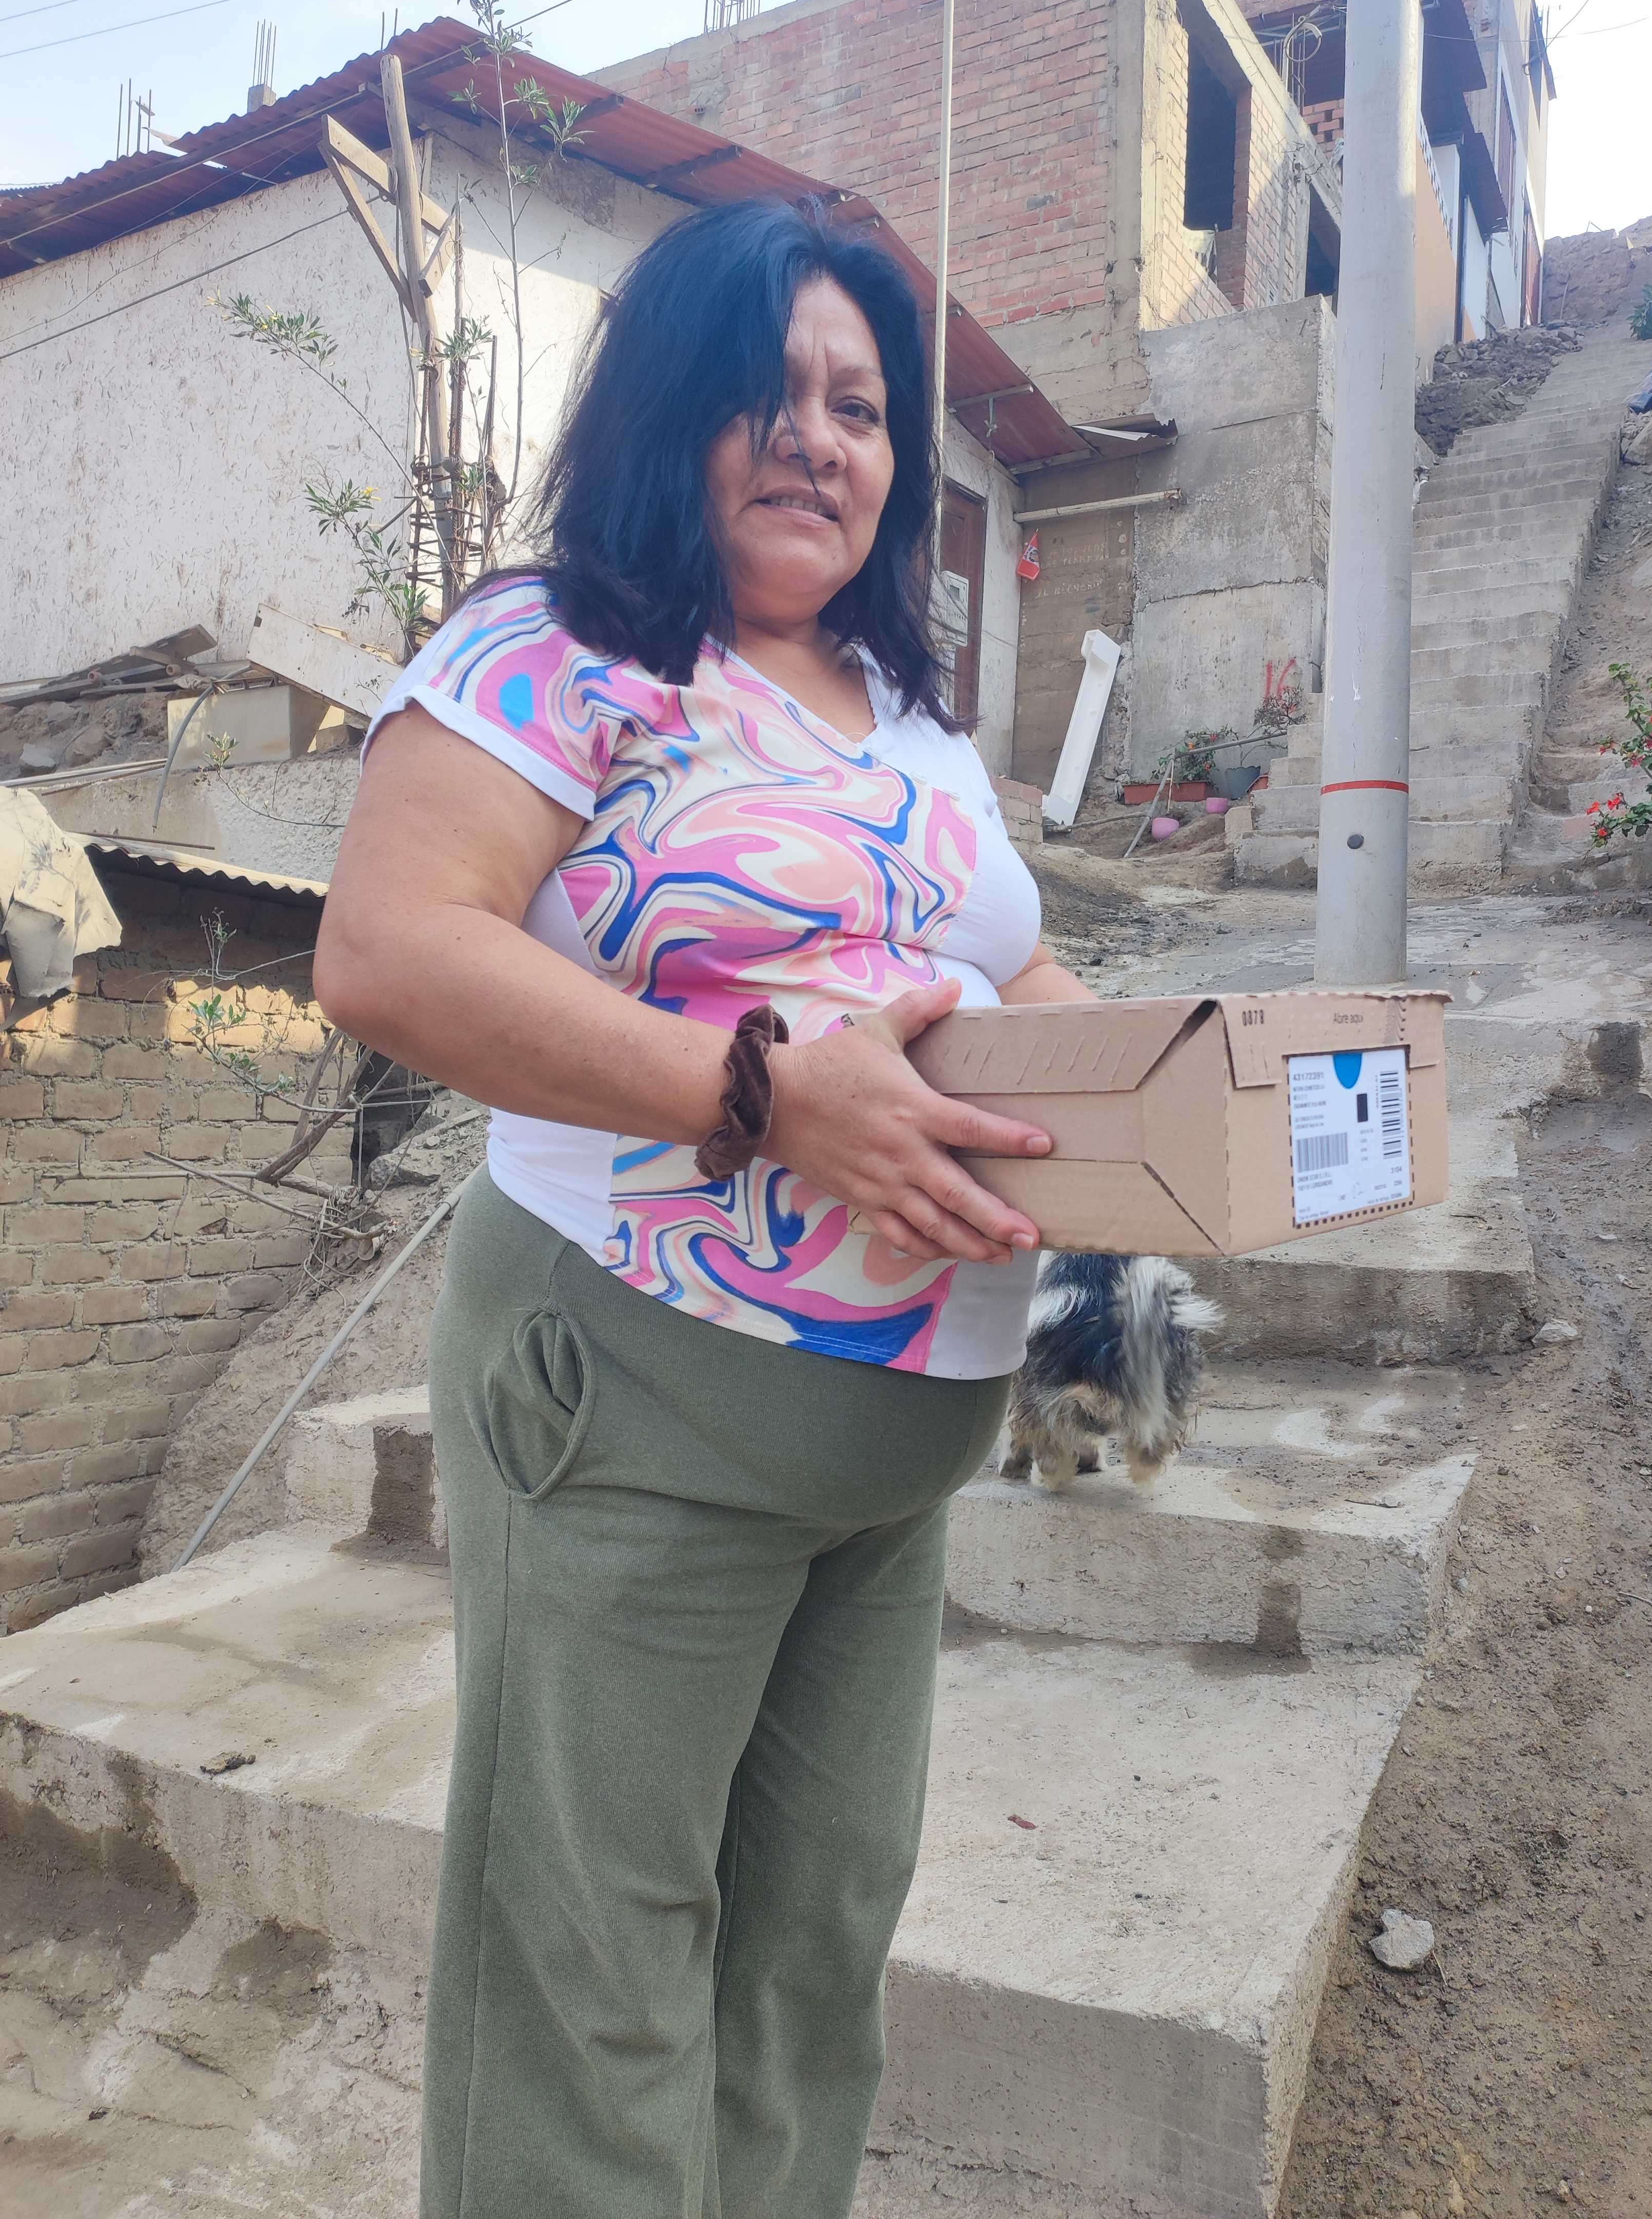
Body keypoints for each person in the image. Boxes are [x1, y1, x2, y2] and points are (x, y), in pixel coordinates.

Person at [315, 197, 1092, 2219]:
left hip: (896, 1446)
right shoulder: (559, 648)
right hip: (640, 1396)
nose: (817, 437)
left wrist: (1163, 1090)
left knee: (811, 1958)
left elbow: (1011, 968)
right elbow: (392, 949)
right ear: (673, 407)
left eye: (859, 405)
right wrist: (761, 1089)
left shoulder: (906, 709)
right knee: (598, 1966)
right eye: (766, 390)